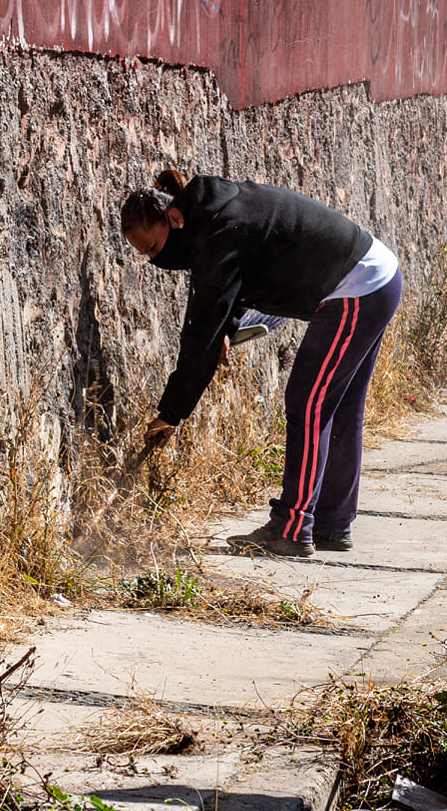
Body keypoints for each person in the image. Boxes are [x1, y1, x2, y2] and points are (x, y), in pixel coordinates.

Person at [121, 170, 400, 559]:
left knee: (309, 403)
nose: (155, 260)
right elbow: (236, 279)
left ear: (172, 219)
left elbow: (201, 329)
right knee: (339, 406)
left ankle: (292, 527)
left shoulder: (219, 228)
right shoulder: (213, 215)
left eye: (152, 249)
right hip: (374, 276)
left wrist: (170, 412)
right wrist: (227, 327)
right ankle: (331, 525)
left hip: (356, 288)